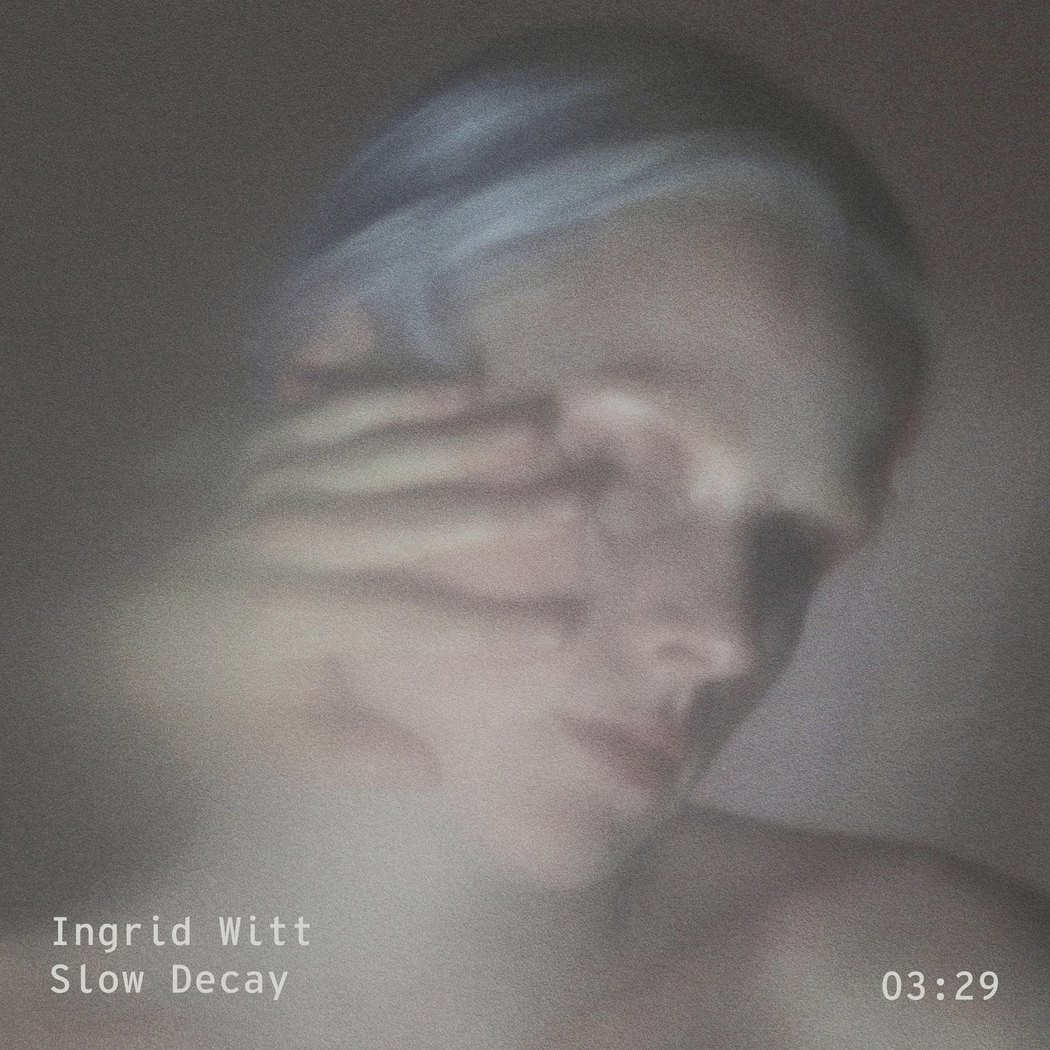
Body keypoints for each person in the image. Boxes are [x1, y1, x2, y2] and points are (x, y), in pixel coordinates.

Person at [10, 20, 1049, 1050]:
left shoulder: (934, 989)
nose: (726, 636)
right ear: (334, 369)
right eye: (623, 466)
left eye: (794, 540)